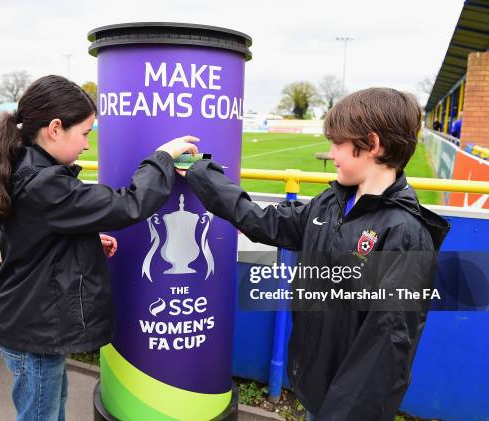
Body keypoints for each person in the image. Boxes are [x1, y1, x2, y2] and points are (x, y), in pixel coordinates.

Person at [179, 88, 450, 421]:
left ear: (372, 144)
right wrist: (201, 174)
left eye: (338, 143)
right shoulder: (330, 202)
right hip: (314, 388)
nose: (331, 152)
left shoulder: (405, 234)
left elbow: (384, 348)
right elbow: (265, 221)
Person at [0, 75, 197, 421]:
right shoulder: (45, 183)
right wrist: (163, 158)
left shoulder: (26, 165)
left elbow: (36, 233)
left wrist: (85, 238)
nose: (86, 146)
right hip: (36, 332)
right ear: (54, 128)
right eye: (84, 134)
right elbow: (129, 204)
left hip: (31, 325)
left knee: (50, 409)